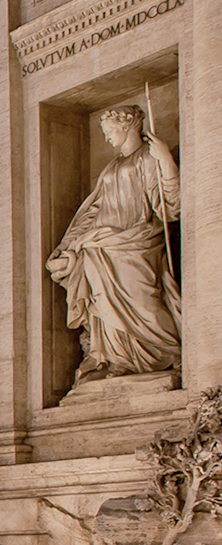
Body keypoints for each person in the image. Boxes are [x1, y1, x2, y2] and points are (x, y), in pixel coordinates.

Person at [48, 103, 182, 383]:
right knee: (104, 305)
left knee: (145, 302)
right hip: (99, 244)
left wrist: (166, 161)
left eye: (110, 131)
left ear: (127, 126)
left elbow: (170, 207)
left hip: (136, 242)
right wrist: (68, 245)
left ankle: (167, 352)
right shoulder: (112, 166)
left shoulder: (148, 158)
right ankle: (117, 359)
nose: (107, 137)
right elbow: (92, 211)